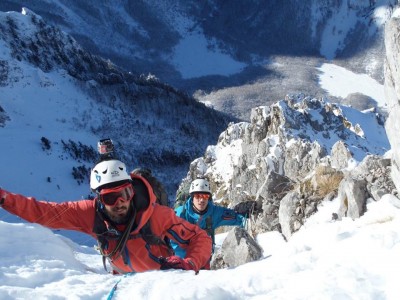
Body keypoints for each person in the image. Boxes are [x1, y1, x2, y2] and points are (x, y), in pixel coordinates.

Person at [0, 159, 212, 274]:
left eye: (125, 194)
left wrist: (190, 263)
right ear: (100, 199)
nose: (121, 202)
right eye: (111, 198)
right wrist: (4, 199)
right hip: (124, 284)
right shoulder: (89, 214)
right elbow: (45, 212)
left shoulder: (156, 215)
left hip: (158, 284)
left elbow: (200, 237)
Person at [172, 178, 249, 269]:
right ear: (192, 197)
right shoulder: (180, 215)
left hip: (206, 262)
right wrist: (188, 263)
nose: (201, 200)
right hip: (185, 264)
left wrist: (246, 213)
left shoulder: (214, 212)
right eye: (198, 196)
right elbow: (174, 244)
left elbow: (236, 217)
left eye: (205, 196)